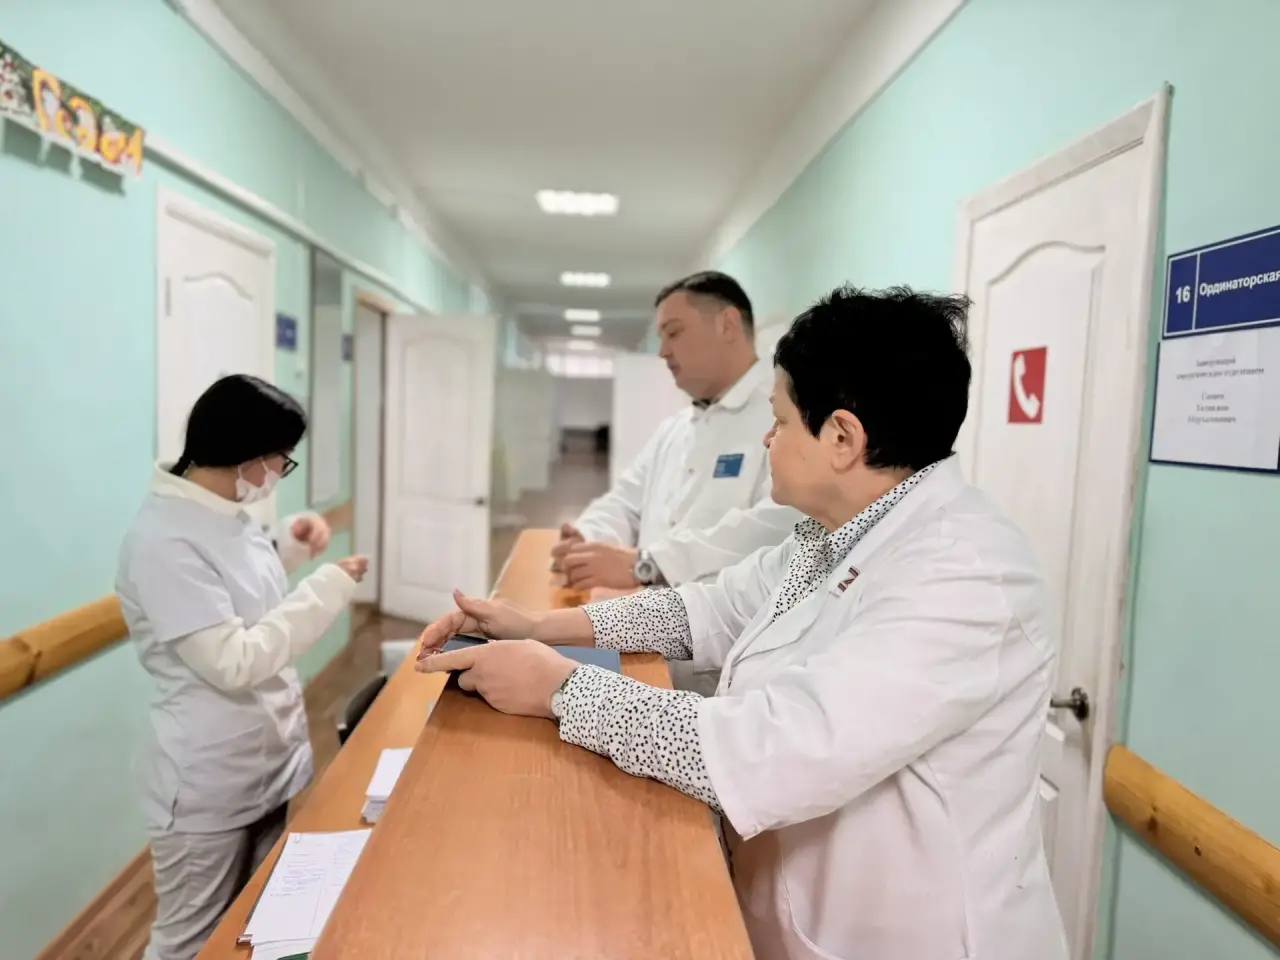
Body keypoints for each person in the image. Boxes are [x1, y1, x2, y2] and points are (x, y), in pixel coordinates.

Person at [416, 286, 1069, 960]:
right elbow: (707, 608)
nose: (767, 439)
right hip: (789, 902)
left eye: (779, 422)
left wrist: (559, 688)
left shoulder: (963, 576)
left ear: (842, 438)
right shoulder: (835, 533)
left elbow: (775, 752)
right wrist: (539, 627)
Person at [116, 374, 368, 960]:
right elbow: (233, 660)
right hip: (208, 781)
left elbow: (235, 593)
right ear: (247, 457)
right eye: (281, 459)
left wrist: (289, 547)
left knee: (253, 924)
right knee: (190, 941)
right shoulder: (162, 540)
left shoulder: (221, 509)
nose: (280, 472)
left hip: (268, 760)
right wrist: (327, 587)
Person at [553, 271, 798, 593]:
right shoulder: (675, 429)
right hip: (651, 611)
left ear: (727, 325)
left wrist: (650, 564)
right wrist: (587, 538)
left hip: (729, 620)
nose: (663, 351)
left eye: (674, 332)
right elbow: (625, 501)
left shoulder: (787, 418)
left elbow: (776, 526)